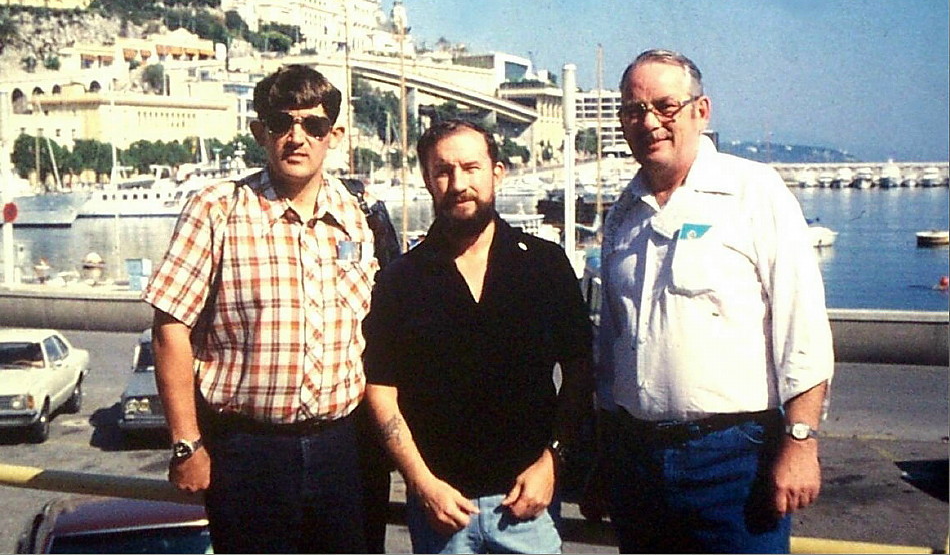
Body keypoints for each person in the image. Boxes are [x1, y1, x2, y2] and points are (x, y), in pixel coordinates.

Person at [592, 49, 835, 553]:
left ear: (701, 111)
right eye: (634, 111)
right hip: (637, 458)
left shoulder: (754, 192)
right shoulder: (622, 214)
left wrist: (800, 442)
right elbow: (610, 345)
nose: (650, 122)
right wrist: (604, 454)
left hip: (734, 460)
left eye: (666, 106)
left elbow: (803, 329)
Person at [143, 64, 376, 553]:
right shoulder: (217, 209)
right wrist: (188, 444)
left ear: (333, 135)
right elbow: (170, 330)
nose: (297, 137)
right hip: (248, 452)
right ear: (259, 132)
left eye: (312, 125)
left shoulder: (357, 215)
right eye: (281, 124)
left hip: (344, 451)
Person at [362, 119, 593, 554]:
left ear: (497, 173)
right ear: (428, 180)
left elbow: (580, 372)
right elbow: (381, 389)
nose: (458, 183)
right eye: (443, 171)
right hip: (441, 511)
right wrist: (421, 483)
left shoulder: (545, 266)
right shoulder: (401, 280)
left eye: (471, 168)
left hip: (529, 504)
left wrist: (553, 461)